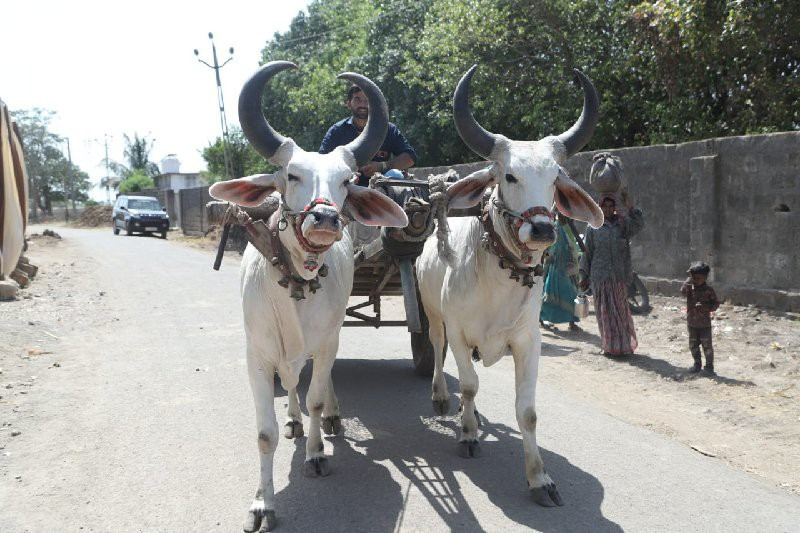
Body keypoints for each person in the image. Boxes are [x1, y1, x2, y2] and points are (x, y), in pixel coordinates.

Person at [579, 192, 644, 356]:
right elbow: (588, 252)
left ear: (615, 208)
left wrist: (631, 208)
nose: (607, 209)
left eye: (610, 206)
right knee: (605, 314)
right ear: (599, 207)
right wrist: (583, 276)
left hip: (618, 276)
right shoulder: (593, 226)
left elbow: (639, 225)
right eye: (604, 206)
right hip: (599, 276)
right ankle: (610, 347)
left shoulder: (622, 224)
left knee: (621, 313)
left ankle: (624, 346)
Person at [319, 84, 418, 186]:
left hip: (381, 190)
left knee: (396, 175)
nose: (363, 104)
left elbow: (410, 158)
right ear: (348, 104)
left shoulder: (388, 129)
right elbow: (322, 162)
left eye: (367, 100)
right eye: (357, 99)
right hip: (346, 190)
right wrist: (346, 174)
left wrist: (382, 166)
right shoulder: (336, 131)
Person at [540, 212, 582, 330]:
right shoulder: (557, 226)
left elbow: (573, 245)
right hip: (556, 267)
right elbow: (551, 247)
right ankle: (542, 320)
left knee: (569, 294)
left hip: (567, 267)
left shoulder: (567, 227)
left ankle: (571, 322)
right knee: (551, 294)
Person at [681, 261, 719, 375]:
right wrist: (689, 279)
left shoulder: (709, 290)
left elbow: (716, 304)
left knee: (707, 346)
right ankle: (697, 365)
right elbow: (682, 292)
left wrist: (705, 307)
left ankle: (709, 368)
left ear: (705, 277)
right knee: (693, 345)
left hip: (704, 325)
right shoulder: (690, 288)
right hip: (692, 323)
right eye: (694, 278)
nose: (695, 280)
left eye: (698, 278)